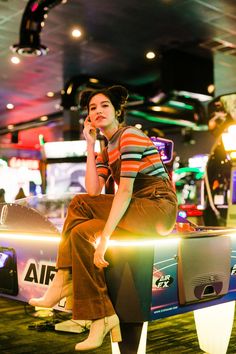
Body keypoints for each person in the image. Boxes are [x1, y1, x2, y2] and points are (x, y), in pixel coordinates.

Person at [29, 85, 177, 351]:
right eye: (92, 108)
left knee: (79, 205)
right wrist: (89, 143)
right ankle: (103, 316)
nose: (97, 111)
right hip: (136, 209)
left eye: (104, 105)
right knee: (79, 233)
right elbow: (94, 190)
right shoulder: (107, 147)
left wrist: (105, 238)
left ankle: (63, 280)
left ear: (118, 110)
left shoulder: (130, 136)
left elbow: (125, 192)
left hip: (156, 206)